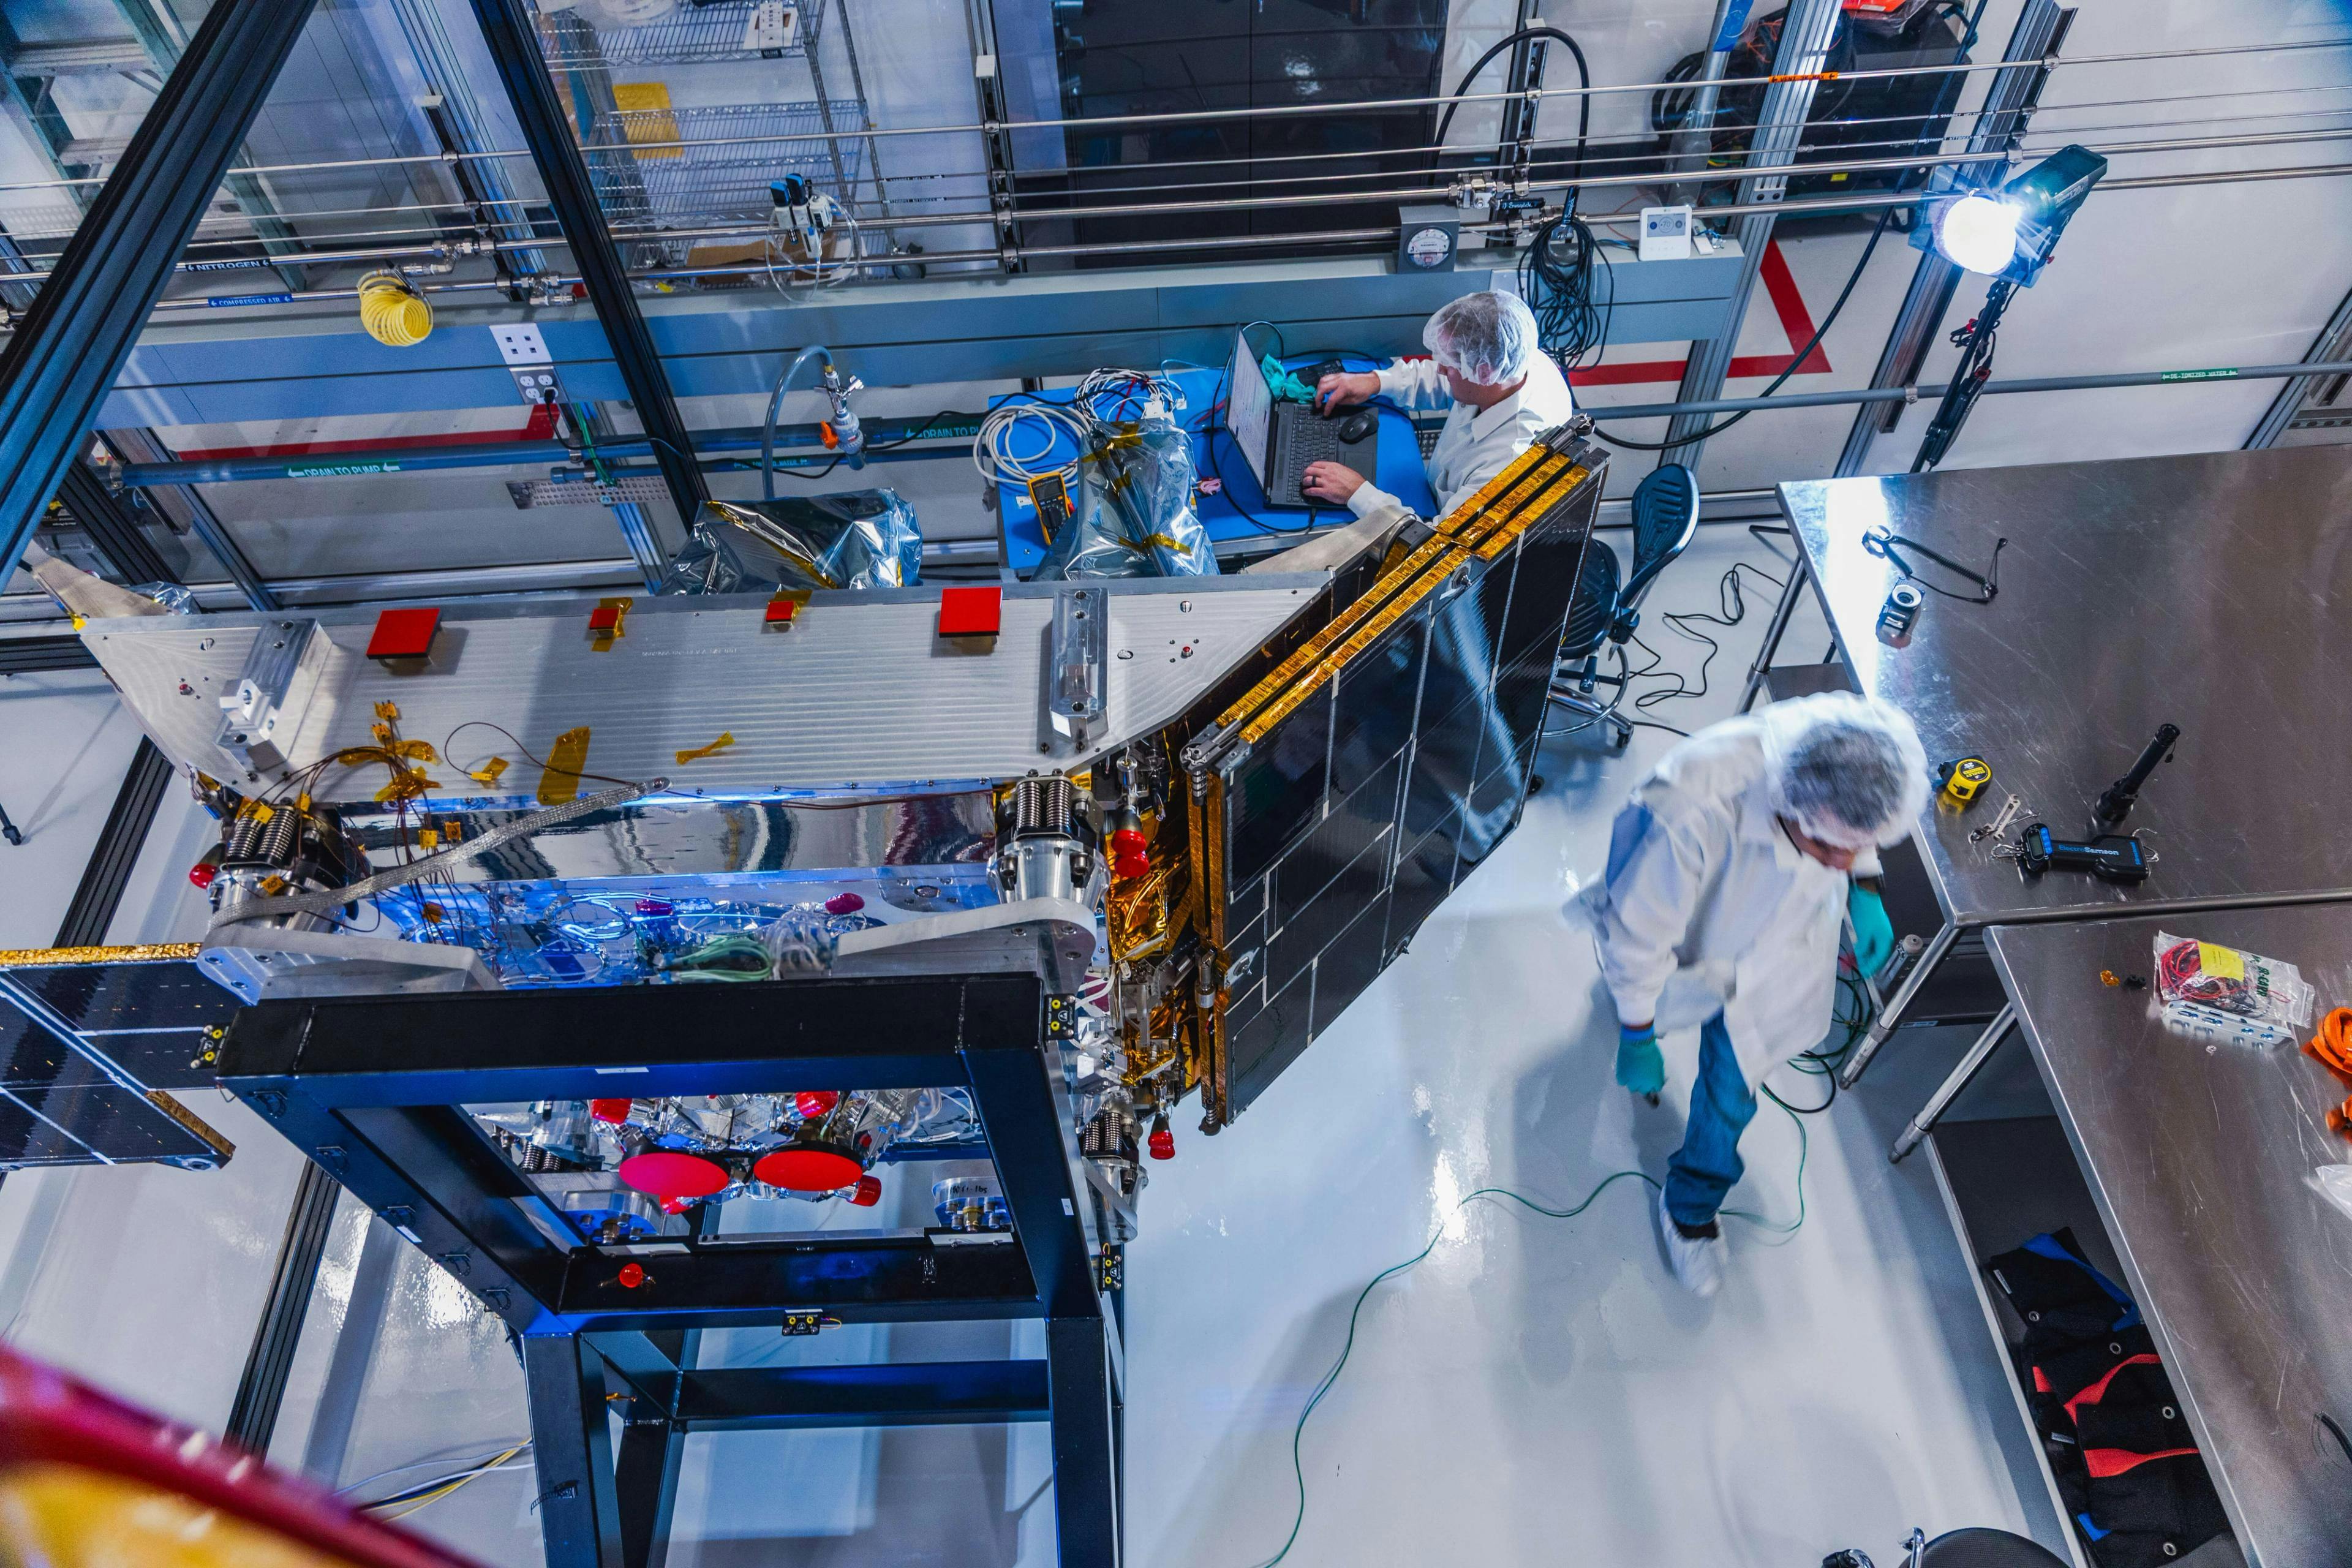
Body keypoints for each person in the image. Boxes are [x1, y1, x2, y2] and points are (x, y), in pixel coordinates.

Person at [1581, 693, 1925, 1298]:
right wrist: (1636, 1033)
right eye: (1827, 849)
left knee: (1730, 1098)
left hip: (1780, 954)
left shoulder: (1844, 745)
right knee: (1643, 989)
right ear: (1790, 805)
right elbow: (1636, 935)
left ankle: (1689, 1210)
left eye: (1857, 848)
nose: (1842, 863)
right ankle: (1638, 1019)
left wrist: (1865, 887)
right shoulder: (1690, 806)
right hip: (1698, 933)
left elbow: (1852, 821)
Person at [1300, 289, 1575, 530]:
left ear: (1484, 373)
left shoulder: (1507, 466)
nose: (1441, 368)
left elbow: (1434, 545)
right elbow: (1448, 379)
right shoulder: (1515, 358)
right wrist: (1376, 381)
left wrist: (1356, 493)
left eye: (1450, 364)